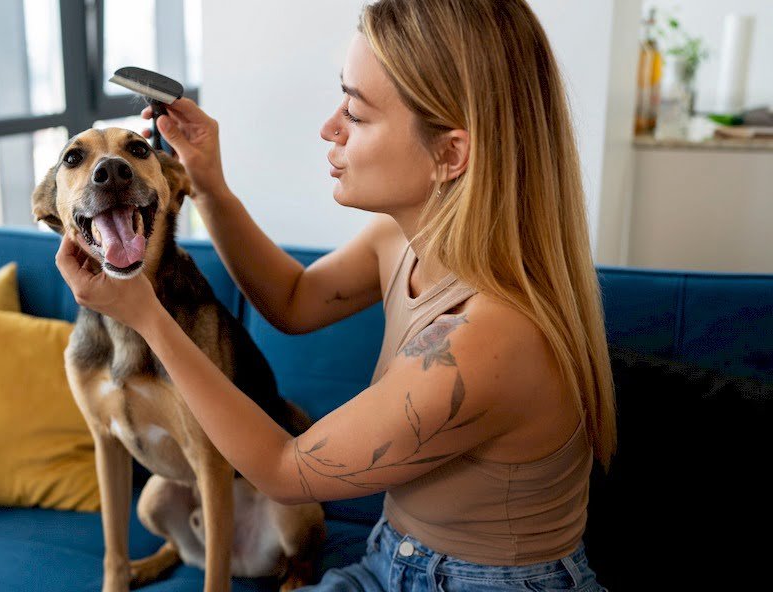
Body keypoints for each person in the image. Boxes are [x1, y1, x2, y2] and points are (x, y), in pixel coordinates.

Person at [54, 0, 616, 590]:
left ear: (450, 153)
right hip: (389, 558)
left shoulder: (490, 337)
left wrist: (145, 315)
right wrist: (208, 185)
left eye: (356, 111)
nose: (330, 127)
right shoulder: (401, 242)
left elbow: (282, 471)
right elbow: (294, 301)